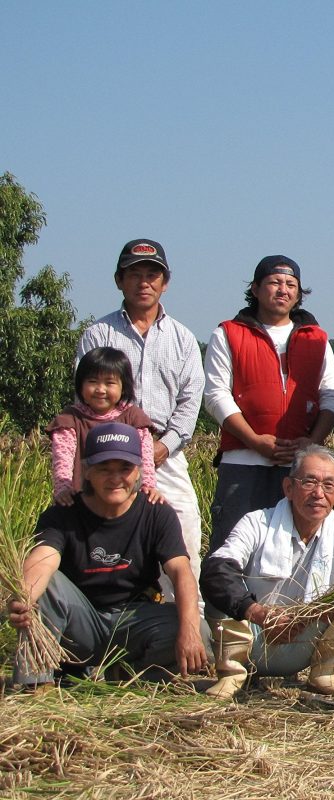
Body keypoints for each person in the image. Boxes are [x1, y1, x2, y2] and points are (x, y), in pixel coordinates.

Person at [7, 423, 206, 686]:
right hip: (79, 623)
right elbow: (44, 559)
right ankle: (36, 684)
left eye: (125, 468)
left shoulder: (157, 513)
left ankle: (133, 679)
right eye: (104, 468)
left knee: (188, 624)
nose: (115, 478)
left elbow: (181, 570)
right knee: (46, 586)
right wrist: (23, 599)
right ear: (87, 470)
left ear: (138, 471)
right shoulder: (62, 514)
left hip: (132, 619)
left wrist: (190, 629)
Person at [78, 239, 206, 591]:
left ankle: (187, 624)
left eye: (153, 275)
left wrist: (163, 446)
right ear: (119, 280)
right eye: (135, 274)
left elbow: (190, 400)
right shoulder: (98, 334)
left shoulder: (182, 338)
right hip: (108, 455)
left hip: (167, 456)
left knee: (184, 535)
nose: (144, 282)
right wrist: (118, 444)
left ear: (165, 282)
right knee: (97, 539)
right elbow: (87, 396)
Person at [199, 445, 334, 700]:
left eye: (328, 485)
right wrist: (257, 613)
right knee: (220, 596)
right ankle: (232, 675)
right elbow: (218, 569)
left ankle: (325, 672)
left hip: (309, 636)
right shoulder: (256, 522)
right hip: (256, 635)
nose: (318, 493)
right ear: (289, 488)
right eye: (309, 482)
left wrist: (319, 612)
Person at [203, 254, 334, 554]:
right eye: (274, 282)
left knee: (294, 549)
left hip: (298, 466)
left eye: (291, 284)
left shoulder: (316, 338)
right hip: (243, 463)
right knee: (232, 548)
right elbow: (216, 395)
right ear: (254, 289)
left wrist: (312, 443)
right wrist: (254, 440)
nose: (283, 290)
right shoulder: (228, 333)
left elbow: (332, 396)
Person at [48, 347, 160, 506]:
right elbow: (63, 459)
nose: (100, 390)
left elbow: (146, 459)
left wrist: (148, 486)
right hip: (81, 502)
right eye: (92, 382)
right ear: (80, 384)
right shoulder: (70, 418)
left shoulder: (134, 417)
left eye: (110, 383)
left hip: (127, 502)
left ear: (124, 387)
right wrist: (63, 489)